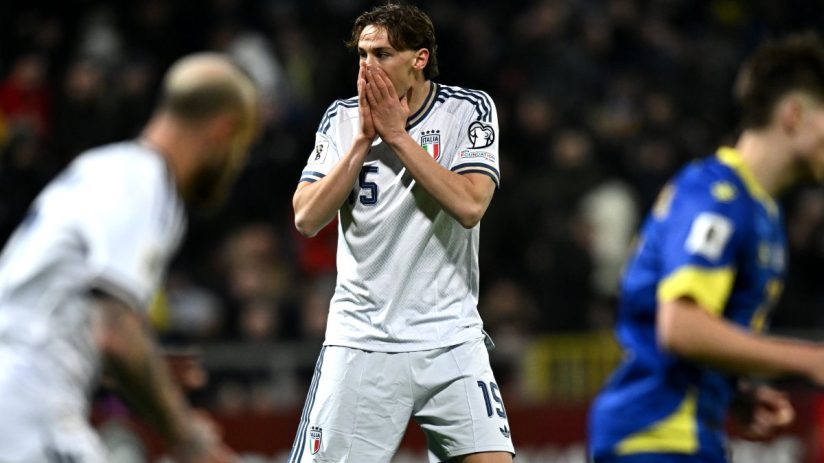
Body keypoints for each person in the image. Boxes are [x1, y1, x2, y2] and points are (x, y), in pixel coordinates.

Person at [0, 52, 259, 462]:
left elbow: (57, 316)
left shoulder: (102, 167)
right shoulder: (147, 182)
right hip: (29, 407)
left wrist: (144, 368)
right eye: (240, 148)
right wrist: (188, 438)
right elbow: (115, 328)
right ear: (223, 132)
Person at [290, 4, 513, 463]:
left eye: (382, 54)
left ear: (420, 59)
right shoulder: (341, 120)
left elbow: (470, 205)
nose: (367, 67)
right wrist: (360, 144)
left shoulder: (468, 111)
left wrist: (396, 137)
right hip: (362, 340)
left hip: (451, 339)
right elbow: (306, 218)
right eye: (362, 55)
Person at [588, 34, 824, 463]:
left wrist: (732, 391)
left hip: (688, 435)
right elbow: (680, 327)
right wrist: (810, 359)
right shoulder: (716, 195)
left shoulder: (760, 210)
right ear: (794, 114)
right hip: (654, 438)